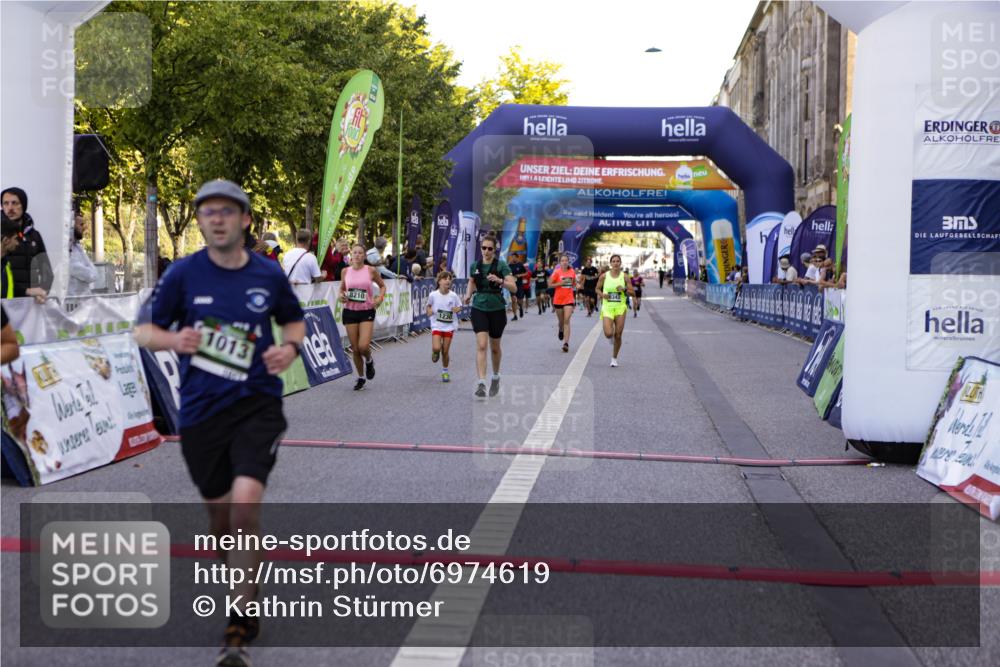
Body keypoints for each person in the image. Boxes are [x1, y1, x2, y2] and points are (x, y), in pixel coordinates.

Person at [134, 179, 305, 667]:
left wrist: (289, 347)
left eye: (227, 211)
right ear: (201, 220)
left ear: (245, 219)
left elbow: (294, 322)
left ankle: (240, 615)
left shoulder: (267, 276)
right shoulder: (184, 274)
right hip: (201, 411)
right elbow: (145, 330)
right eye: (207, 211)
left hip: (257, 405)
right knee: (221, 522)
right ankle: (242, 570)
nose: (216, 218)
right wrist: (177, 341)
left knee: (245, 506)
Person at [464, 233, 516, 398]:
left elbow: (514, 288)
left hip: (497, 308)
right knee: (481, 345)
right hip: (479, 307)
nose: (486, 251)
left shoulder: (501, 265)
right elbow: (472, 281)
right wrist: (467, 295)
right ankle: (481, 383)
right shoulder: (475, 265)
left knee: (494, 348)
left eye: (489, 249)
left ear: (495, 250)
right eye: (483, 248)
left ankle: (496, 376)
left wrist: (500, 281)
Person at [339, 244, 386, 390]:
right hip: (350, 312)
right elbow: (342, 289)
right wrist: (341, 296)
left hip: (366, 311)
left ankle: (369, 361)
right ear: (351, 255)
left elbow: (382, 286)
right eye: (355, 253)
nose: (357, 255)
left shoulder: (370, 270)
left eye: (360, 253)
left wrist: (379, 298)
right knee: (355, 349)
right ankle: (360, 377)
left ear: (364, 256)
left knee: (363, 346)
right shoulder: (345, 271)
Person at [1, 187, 52, 300]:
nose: (10, 208)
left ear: (23, 205)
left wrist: (42, 292)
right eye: (6, 203)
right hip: (4, 302)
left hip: (29, 302)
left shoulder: (34, 235)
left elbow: (46, 271)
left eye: (15, 203)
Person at [597, 254, 635, 367]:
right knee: (609, 334)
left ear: (620, 263)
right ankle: (611, 337)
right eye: (613, 261)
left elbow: (632, 292)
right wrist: (602, 294)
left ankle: (614, 358)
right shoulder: (604, 276)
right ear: (610, 263)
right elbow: (597, 288)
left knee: (618, 335)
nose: (616, 263)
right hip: (608, 307)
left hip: (620, 307)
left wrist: (624, 289)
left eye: (618, 261)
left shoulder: (625, 277)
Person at [426, 270, 462, 382]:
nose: (448, 281)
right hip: (437, 325)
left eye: (449, 279)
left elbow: (460, 306)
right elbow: (428, 306)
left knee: (445, 352)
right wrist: (429, 311)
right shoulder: (433, 295)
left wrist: (457, 309)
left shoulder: (453, 295)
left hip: (449, 326)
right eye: (445, 279)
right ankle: (435, 351)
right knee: (437, 348)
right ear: (439, 281)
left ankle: (445, 371)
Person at [1, 216, 46, 303]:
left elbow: (10, 287)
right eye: (15, 239)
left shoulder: (5, 264)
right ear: (6, 240)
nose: (18, 243)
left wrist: (28, 291)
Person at [548, 254, 577, 353]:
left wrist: (578, 286)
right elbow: (550, 284)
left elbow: (573, 285)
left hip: (569, 299)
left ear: (568, 262)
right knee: (561, 321)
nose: (564, 262)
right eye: (562, 261)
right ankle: (560, 329)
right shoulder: (556, 272)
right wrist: (560, 284)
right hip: (558, 300)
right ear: (560, 263)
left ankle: (566, 343)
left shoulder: (572, 272)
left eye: (566, 260)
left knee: (567, 320)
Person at [68, 212, 98, 296]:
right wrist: (89, 271)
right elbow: (90, 275)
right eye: (80, 224)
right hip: (72, 303)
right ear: (72, 226)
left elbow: (94, 273)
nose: (83, 228)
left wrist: (90, 271)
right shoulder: (67, 251)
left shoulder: (78, 247)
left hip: (84, 301)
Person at [506, 253, 527, 321]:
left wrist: (520, 275)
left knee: (519, 300)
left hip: (519, 284)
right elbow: (506, 273)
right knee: (513, 300)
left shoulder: (520, 264)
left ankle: (520, 307)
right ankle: (515, 315)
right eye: (512, 257)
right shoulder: (509, 265)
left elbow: (526, 273)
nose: (513, 258)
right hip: (512, 284)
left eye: (515, 257)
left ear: (517, 258)